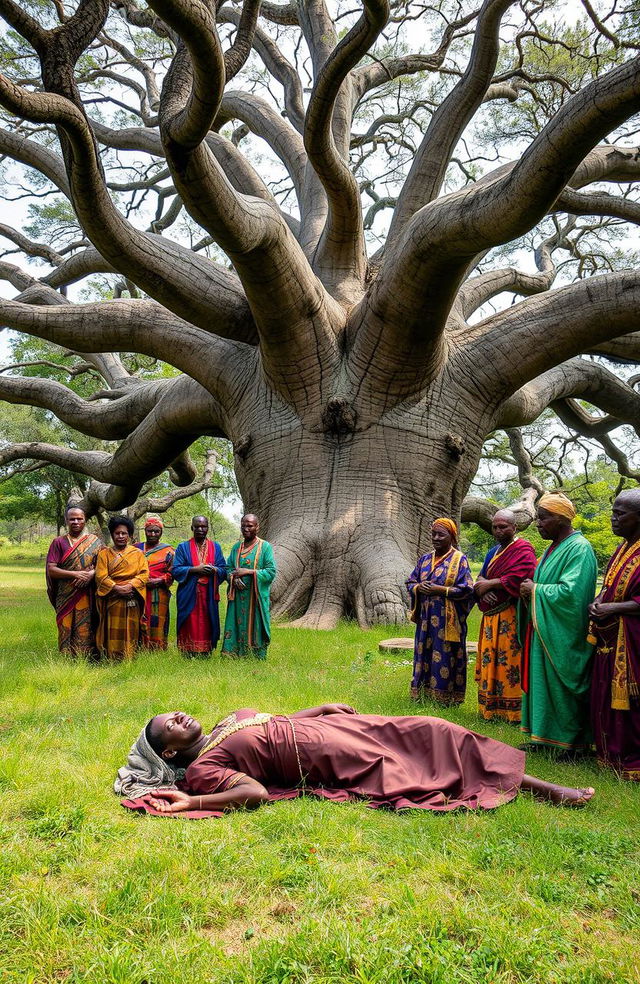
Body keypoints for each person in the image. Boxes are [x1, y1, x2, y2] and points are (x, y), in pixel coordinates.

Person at [114, 705, 595, 816]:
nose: (178, 716)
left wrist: (320, 709)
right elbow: (255, 793)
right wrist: (189, 803)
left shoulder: (222, 724)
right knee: (424, 767)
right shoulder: (201, 771)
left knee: (433, 728)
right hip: (321, 753)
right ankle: (545, 790)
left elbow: (270, 718)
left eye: (173, 713)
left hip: (331, 727)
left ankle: (531, 778)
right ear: (170, 752)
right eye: (169, 726)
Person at [519, 491, 597, 754]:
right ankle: (543, 737)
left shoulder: (580, 548)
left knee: (561, 683)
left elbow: (571, 594)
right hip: (545, 627)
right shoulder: (552, 548)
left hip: (564, 631)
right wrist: (530, 590)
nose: (538, 524)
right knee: (543, 682)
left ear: (562, 519)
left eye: (543, 518)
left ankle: (571, 743)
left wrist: (536, 590)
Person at [588, 490, 640, 781]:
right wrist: (598, 601)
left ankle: (633, 762)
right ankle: (610, 755)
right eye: (613, 512)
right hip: (610, 638)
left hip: (633, 641)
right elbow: (609, 585)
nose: (613, 519)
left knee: (632, 703)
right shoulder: (623, 548)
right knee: (605, 694)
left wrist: (612, 607)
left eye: (621, 514)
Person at [474, 510, 537, 723]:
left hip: (511, 615)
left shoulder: (524, 549)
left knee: (509, 660)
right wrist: (483, 587)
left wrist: (490, 584)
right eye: (495, 527)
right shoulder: (493, 552)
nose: (498, 531)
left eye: (503, 527)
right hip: (490, 617)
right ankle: (490, 707)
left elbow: (523, 575)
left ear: (515, 528)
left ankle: (513, 711)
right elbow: (481, 575)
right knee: (489, 658)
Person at [406, 518, 474, 704]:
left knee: (445, 655)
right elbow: (410, 582)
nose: (436, 538)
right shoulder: (425, 559)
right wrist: (419, 588)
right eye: (433, 534)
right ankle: (421, 693)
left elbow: (467, 589)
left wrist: (440, 590)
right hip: (425, 619)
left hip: (447, 621)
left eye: (441, 535)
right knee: (424, 652)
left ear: (452, 537)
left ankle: (446, 697)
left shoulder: (460, 560)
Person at [45, 504, 102, 656]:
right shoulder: (58, 542)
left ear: (85, 521)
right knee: (66, 625)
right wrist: (75, 575)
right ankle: (67, 657)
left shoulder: (95, 542)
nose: (76, 522)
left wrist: (91, 575)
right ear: (66, 521)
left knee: (86, 624)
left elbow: (103, 565)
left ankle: (86, 657)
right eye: (72, 519)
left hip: (87, 593)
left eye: (79, 519)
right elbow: (51, 569)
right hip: (65, 595)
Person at [222, 514, 276, 660]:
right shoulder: (236, 548)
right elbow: (228, 568)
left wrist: (250, 572)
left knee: (256, 624)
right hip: (238, 597)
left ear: (257, 527)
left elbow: (271, 571)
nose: (246, 529)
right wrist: (233, 579)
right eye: (243, 525)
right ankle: (234, 653)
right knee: (236, 623)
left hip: (255, 597)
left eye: (250, 526)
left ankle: (256, 655)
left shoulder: (265, 547)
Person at [95, 515, 149, 661]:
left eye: (124, 533)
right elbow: (101, 576)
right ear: (112, 534)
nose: (120, 536)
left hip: (132, 597)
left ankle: (129, 656)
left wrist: (130, 586)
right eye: (117, 533)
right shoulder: (104, 554)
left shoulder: (137, 554)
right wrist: (117, 588)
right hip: (112, 598)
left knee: (131, 628)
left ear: (130, 535)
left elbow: (144, 574)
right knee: (112, 628)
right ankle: (111, 657)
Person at [173, 516, 226, 657]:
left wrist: (214, 569)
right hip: (189, 592)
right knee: (190, 619)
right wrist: (195, 569)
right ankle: (187, 650)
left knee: (207, 620)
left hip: (208, 593)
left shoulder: (216, 547)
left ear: (208, 528)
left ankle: (206, 651)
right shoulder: (183, 547)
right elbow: (176, 570)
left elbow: (223, 569)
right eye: (197, 527)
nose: (200, 529)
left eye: (204, 527)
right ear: (192, 528)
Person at [135, 516, 174, 650]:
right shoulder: (135, 549)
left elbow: (173, 572)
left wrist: (160, 580)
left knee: (157, 620)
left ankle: (156, 648)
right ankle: (138, 647)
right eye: (149, 531)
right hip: (138, 591)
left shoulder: (168, 551)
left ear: (161, 532)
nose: (152, 534)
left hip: (159, 592)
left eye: (156, 531)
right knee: (137, 618)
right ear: (144, 531)